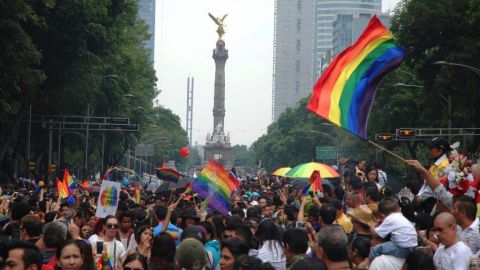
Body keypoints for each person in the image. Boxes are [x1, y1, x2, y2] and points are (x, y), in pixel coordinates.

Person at [416, 137, 450, 213]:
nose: (428, 151)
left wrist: (420, 198)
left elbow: (434, 187)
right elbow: (426, 183)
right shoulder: (436, 164)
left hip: (434, 202)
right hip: (427, 200)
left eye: (431, 149)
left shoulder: (443, 165)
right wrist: (419, 196)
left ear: (440, 151)